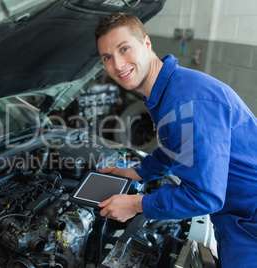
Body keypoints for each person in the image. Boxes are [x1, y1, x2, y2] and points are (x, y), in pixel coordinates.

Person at [94, 13, 257, 267]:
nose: (117, 64)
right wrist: (137, 173)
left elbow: (205, 197)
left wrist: (137, 204)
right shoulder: (168, 90)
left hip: (250, 224)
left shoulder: (185, 101)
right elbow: (176, 147)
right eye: (107, 57)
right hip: (236, 216)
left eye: (124, 48)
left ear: (146, 43)